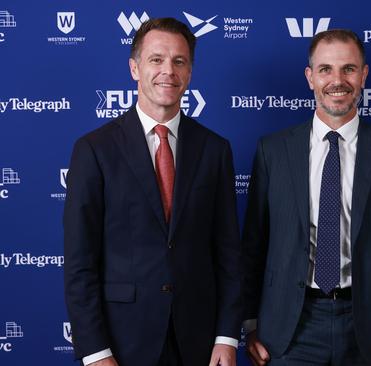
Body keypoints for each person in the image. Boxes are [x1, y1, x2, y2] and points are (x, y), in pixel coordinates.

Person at [64, 18, 241, 366]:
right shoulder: (94, 149)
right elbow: (79, 264)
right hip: (121, 342)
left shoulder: (215, 149)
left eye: (179, 61)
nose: (168, 71)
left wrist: (226, 336)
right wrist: (95, 352)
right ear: (134, 68)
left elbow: (228, 253)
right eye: (156, 60)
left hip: (199, 341)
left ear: (190, 72)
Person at [242, 29, 371, 366]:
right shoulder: (273, 151)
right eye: (325, 69)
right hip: (288, 330)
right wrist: (250, 324)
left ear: (364, 75)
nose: (337, 80)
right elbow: (255, 245)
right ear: (310, 77)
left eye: (349, 69)